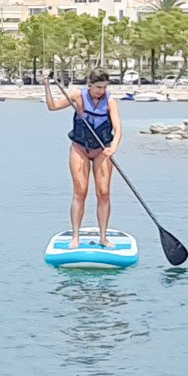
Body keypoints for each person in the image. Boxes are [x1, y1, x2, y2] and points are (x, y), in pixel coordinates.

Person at [42, 68, 123, 248]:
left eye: (104, 87)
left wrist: (114, 147)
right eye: (97, 87)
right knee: (80, 192)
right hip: (80, 148)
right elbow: (52, 106)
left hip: (102, 150)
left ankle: (103, 237)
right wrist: (46, 84)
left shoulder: (110, 101)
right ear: (89, 85)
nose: (101, 91)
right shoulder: (77, 96)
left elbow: (118, 129)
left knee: (104, 193)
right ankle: (75, 237)